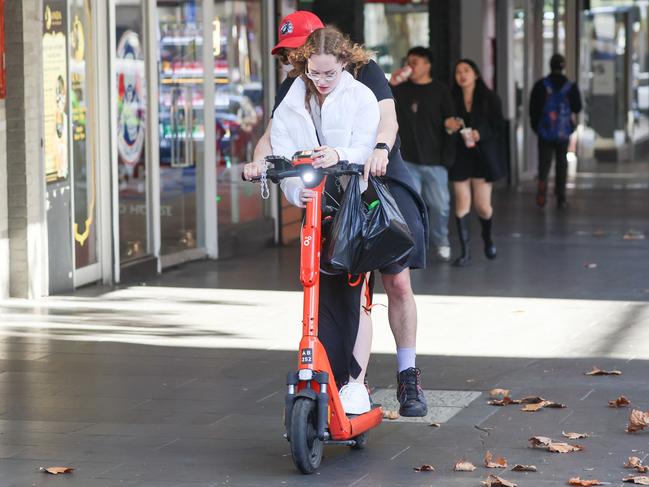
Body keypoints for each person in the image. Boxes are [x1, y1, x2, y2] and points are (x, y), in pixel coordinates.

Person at [245, 11, 429, 417]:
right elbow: (272, 135)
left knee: (397, 280)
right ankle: (348, 380)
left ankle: (408, 373)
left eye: (299, 49)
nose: (294, 59)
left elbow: (387, 119)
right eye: (289, 54)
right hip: (329, 190)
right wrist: (257, 163)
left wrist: (378, 151)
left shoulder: (364, 72)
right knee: (343, 282)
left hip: (378, 177)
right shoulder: (296, 84)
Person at [389, 46, 456, 262]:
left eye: (415, 62)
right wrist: (392, 83)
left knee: (441, 206)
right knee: (409, 207)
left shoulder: (440, 90)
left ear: (428, 64)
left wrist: (451, 125)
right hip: (407, 158)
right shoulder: (400, 89)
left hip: (435, 159)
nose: (410, 66)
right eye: (408, 61)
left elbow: (450, 119)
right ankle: (413, 247)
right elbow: (382, 107)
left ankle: (441, 241)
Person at [446, 59, 505, 267]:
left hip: (482, 156)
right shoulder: (451, 98)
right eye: (458, 72)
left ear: (476, 74)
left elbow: (499, 126)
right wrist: (448, 125)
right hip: (460, 155)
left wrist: (482, 133)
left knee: (483, 206)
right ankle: (465, 252)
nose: (461, 75)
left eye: (466, 71)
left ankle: (488, 238)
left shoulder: (489, 98)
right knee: (462, 203)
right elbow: (443, 124)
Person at [529, 53, 582, 208]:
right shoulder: (569, 86)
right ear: (563, 66)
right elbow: (577, 107)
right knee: (561, 163)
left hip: (545, 131)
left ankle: (542, 184)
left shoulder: (541, 85)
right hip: (563, 132)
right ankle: (561, 195)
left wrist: (536, 127)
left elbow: (533, 109)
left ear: (550, 65)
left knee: (544, 163)